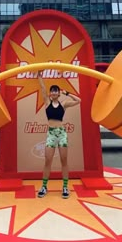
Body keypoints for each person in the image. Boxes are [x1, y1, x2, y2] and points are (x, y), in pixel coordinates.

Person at [37, 71, 81, 199]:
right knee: (48, 161)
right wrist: (39, 76)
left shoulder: (64, 104)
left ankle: (65, 187)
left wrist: (66, 93)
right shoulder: (47, 102)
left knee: (64, 161)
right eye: (53, 91)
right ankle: (44, 186)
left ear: (58, 93)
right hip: (51, 134)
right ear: (50, 94)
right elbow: (43, 88)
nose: (54, 92)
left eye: (56, 91)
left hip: (62, 134)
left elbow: (79, 100)